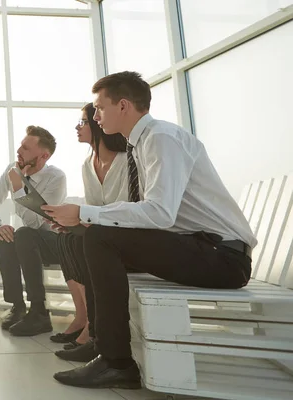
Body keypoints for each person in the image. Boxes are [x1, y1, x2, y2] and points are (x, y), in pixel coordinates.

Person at [43, 71, 256, 389]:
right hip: (196, 247)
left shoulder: (161, 138)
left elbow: (159, 212)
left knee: (100, 237)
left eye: (100, 107)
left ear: (123, 106)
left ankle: (116, 363)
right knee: (85, 238)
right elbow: (140, 216)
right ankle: (103, 343)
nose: (96, 115)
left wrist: (87, 214)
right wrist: (80, 220)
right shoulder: (141, 145)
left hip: (222, 257)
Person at [52, 103, 128, 364]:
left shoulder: (126, 160)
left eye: (83, 122)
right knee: (66, 236)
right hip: (102, 233)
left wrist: (85, 220)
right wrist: (73, 222)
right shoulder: (88, 164)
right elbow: (95, 208)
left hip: (125, 234)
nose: (78, 126)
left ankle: (92, 330)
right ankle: (86, 319)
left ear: (97, 126)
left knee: (87, 240)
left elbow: (127, 208)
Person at [0, 126, 66, 336]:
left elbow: (37, 222)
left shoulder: (56, 178)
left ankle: (39, 312)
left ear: (43, 156)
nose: (19, 151)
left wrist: (20, 188)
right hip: (27, 242)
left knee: (24, 233)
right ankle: (17, 306)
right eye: (21, 145)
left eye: (26, 148)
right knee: (5, 238)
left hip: (54, 243)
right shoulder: (13, 169)